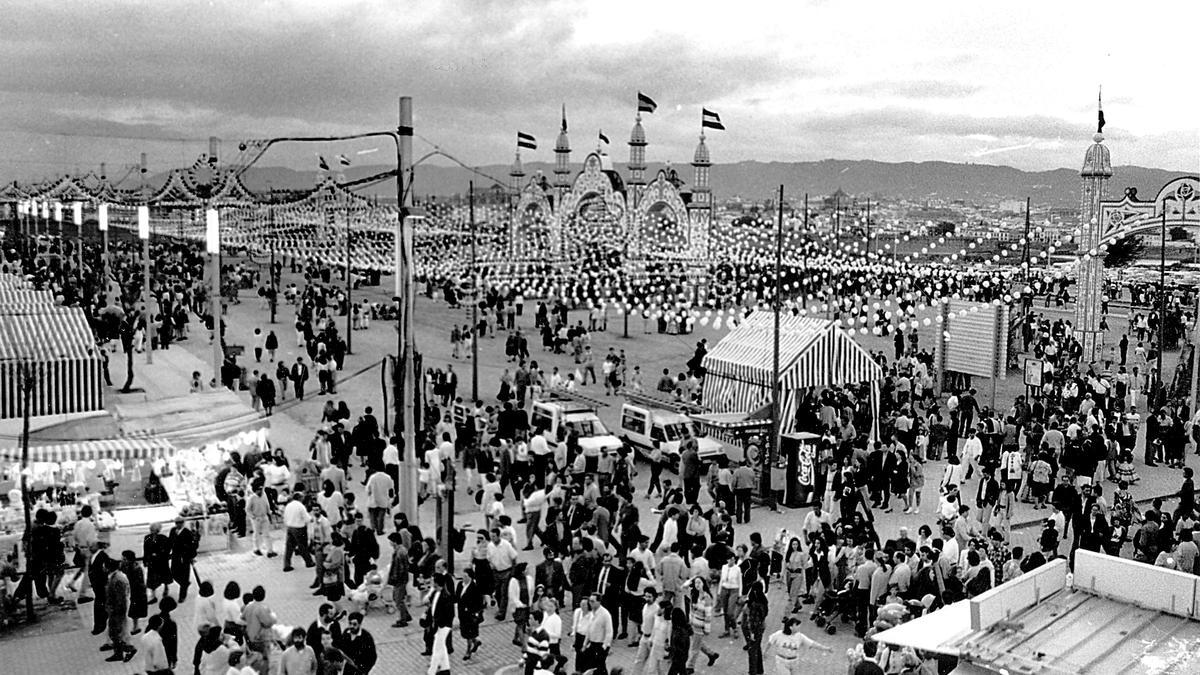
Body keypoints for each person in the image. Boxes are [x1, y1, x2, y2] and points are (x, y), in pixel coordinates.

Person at [764, 617, 833, 675]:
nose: (799, 627)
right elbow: (770, 642)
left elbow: (812, 644)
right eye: (796, 625)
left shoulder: (800, 636)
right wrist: (765, 652)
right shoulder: (778, 635)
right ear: (791, 627)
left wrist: (826, 648)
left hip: (794, 662)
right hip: (781, 661)